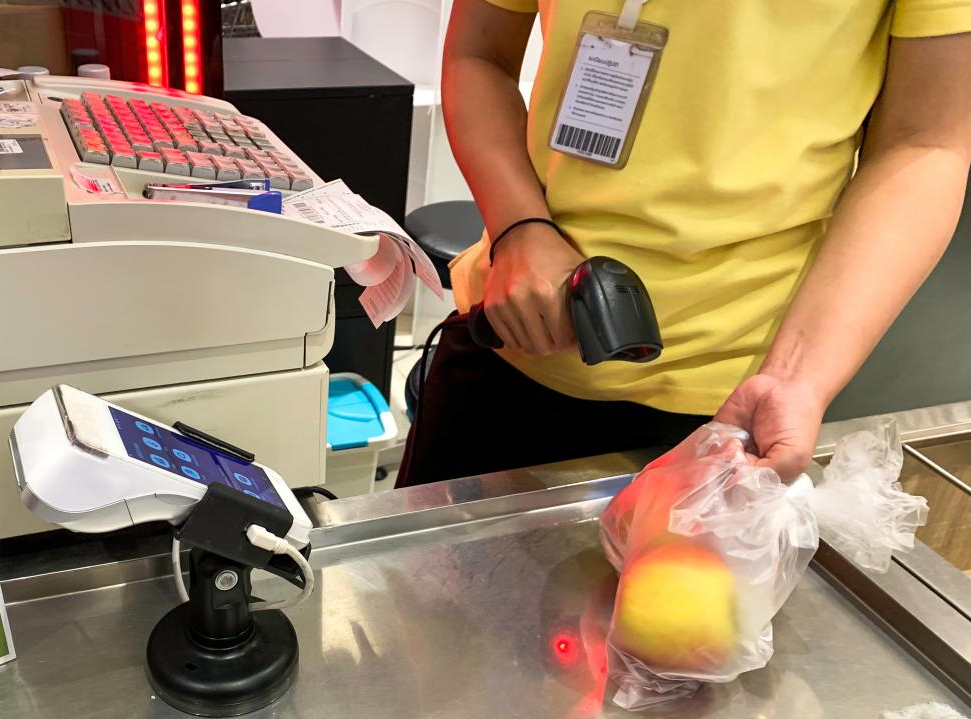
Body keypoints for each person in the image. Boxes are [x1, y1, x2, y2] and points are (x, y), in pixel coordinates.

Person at [397, 0, 971, 487]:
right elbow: (479, 55)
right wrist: (520, 228)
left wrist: (796, 378)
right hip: (517, 339)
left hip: (738, 400)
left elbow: (925, 142)